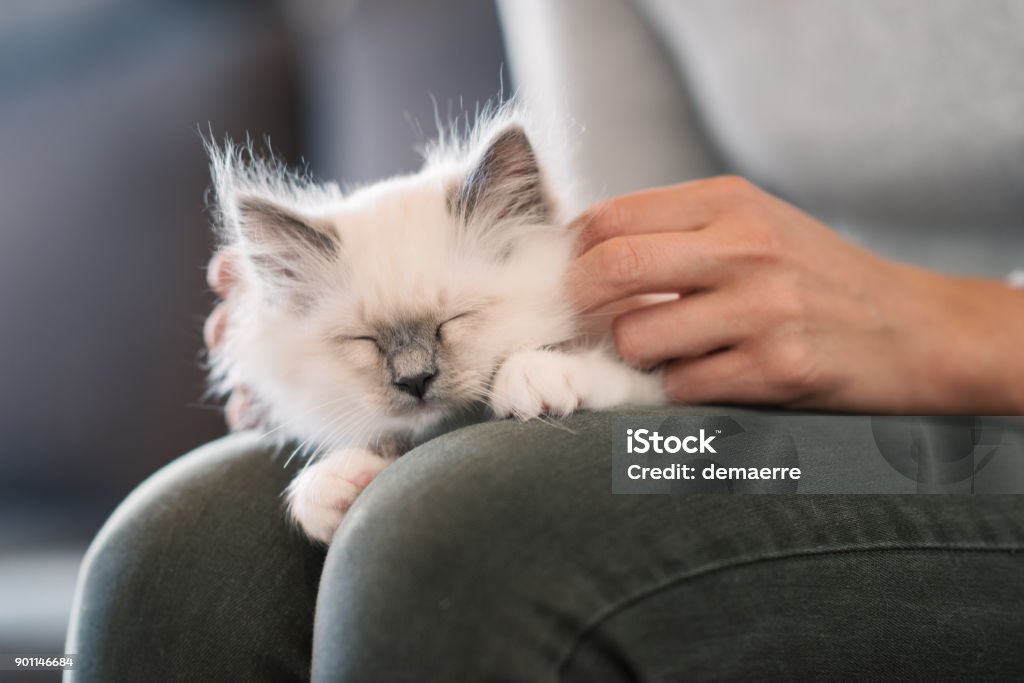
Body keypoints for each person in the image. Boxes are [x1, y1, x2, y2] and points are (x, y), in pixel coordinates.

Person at [67, 1, 1024, 681]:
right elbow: (606, 245)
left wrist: (934, 324)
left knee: (457, 533)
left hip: (978, 434)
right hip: (748, 438)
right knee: (177, 557)